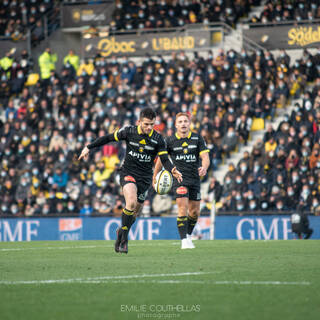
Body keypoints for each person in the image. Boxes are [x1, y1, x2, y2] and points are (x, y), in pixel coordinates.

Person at [78, 107, 182, 253]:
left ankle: (121, 232)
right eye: (146, 124)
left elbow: (164, 158)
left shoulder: (158, 139)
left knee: (134, 214)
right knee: (131, 202)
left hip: (145, 178)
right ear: (139, 121)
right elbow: (108, 138)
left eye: (152, 124)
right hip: (128, 172)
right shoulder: (129, 131)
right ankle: (124, 240)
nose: (149, 127)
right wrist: (89, 147)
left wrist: (172, 169)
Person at [153, 112, 210, 249]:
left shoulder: (197, 138)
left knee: (195, 212)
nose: (183, 124)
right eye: (180, 122)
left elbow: (205, 157)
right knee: (182, 208)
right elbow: (162, 158)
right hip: (179, 178)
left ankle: (188, 235)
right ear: (176, 125)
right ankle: (184, 240)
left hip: (195, 179)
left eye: (185, 121)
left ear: (189, 123)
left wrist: (205, 167)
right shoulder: (170, 141)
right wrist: (155, 174)